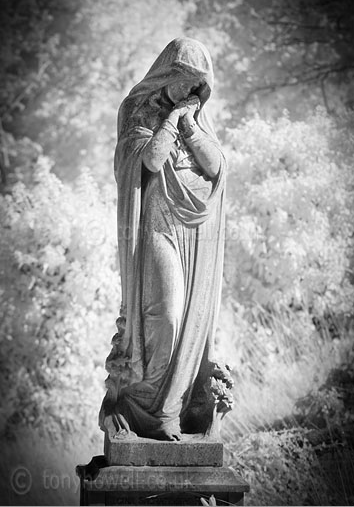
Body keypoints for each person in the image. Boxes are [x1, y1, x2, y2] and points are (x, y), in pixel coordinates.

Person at [99, 37, 227, 441]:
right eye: (186, 82)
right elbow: (148, 161)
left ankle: (176, 411)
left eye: (198, 87)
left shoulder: (196, 120)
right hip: (157, 228)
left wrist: (189, 123)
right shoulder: (137, 113)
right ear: (167, 77)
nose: (191, 94)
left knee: (193, 320)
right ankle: (145, 410)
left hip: (195, 233)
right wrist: (171, 121)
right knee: (166, 316)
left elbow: (216, 166)